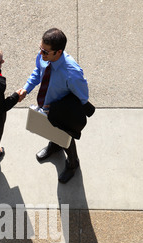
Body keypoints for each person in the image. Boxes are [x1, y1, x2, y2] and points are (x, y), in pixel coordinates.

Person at [19, 28, 90, 184]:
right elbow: (38, 72)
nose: (41, 55)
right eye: (40, 49)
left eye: (45, 52)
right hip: (45, 107)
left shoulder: (72, 72)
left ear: (58, 52)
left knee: (66, 139)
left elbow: (82, 97)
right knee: (51, 131)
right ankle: (54, 145)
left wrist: (60, 108)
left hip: (60, 113)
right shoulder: (44, 58)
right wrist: (26, 88)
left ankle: (73, 164)